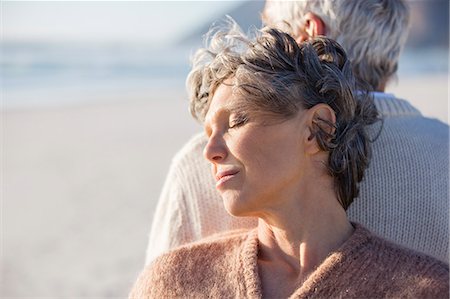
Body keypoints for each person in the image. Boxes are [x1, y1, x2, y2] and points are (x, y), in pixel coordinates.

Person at [130, 26, 449, 298]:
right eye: (209, 132)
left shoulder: (424, 289)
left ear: (317, 129)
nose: (210, 150)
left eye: (237, 121)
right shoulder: (175, 282)